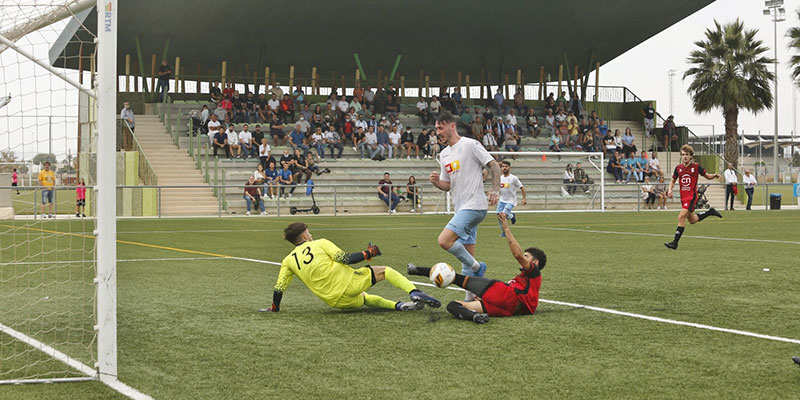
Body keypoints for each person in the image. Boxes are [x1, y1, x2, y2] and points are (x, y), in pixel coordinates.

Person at [261, 222, 440, 313]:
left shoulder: (288, 260)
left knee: (366, 298)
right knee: (384, 271)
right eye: (308, 231)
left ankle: (399, 306)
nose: (311, 233)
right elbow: (345, 259)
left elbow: (279, 288)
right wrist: (368, 253)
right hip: (348, 284)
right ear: (304, 236)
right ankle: (414, 292)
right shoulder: (320, 243)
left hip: (336, 302)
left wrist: (275, 308)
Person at [407, 213, 546, 324]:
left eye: (527, 256)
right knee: (453, 305)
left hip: (507, 296)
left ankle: (418, 270)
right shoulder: (526, 281)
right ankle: (473, 317)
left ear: (535, 262)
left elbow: (517, 254)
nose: (524, 258)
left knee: (456, 278)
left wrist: (506, 228)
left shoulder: (534, 272)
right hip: (507, 309)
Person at [430, 112, 501, 301]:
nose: (438, 132)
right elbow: (448, 185)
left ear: (452, 126)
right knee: (466, 259)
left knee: (444, 240)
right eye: (436, 128)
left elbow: (494, 165)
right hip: (461, 208)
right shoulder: (444, 154)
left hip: (475, 205)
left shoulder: (470, 145)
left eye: (440, 128)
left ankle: (479, 268)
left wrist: (495, 190)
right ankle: (471, 299)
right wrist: (437, 183)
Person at [664, 145, 722, 250]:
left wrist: (715, 175)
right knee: (692, 220)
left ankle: (675, 243)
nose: (684, 156)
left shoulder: (696, 167)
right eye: (683, 154)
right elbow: (673, 180)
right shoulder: (678, 168)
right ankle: (710, 212)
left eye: (687, 154)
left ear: (691, 156)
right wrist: (670, 190)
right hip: (683, 197)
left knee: (681, 217)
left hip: (691, 197)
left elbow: (707, 176)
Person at [496, 160, 526, 236]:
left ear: (509, 167)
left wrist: (524, 198)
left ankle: (506, 231)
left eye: (506, 166)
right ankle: (511, 217)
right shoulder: (500, 178)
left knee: (503, 215)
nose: (504, 168)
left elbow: (522, 187)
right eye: (503, 166)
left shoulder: (514, 178)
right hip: (502, 200)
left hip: (511, 201)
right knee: (499, 216)